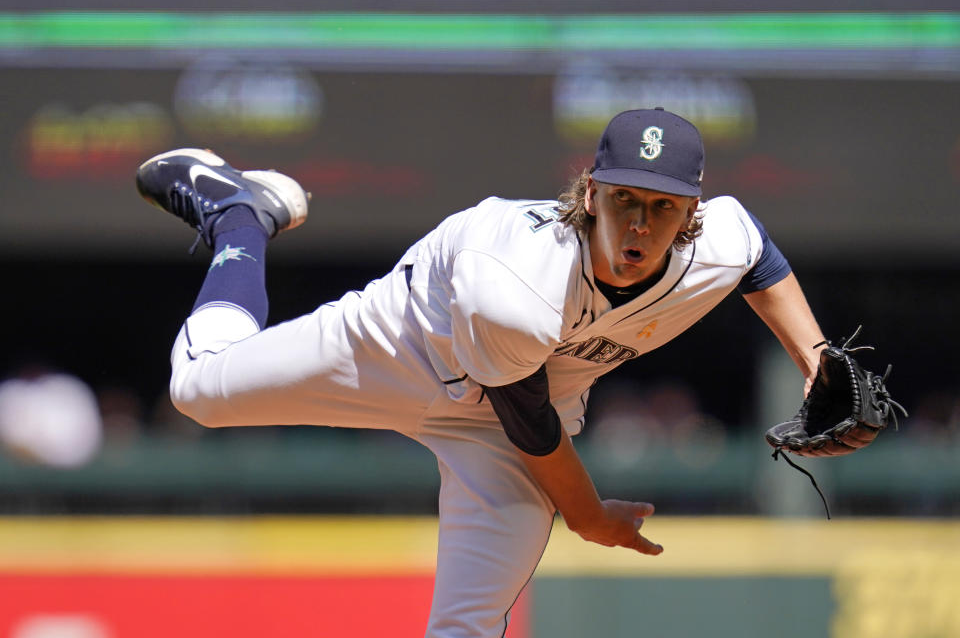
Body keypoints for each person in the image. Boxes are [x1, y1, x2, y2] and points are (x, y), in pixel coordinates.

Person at [136, 108, 826, 637]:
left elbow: (757, 250)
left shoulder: (715, 243)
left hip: (498, 428)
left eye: (663, 207)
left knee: (466, 627)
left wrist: (816, 360)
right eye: (624, 200)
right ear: (590, 195)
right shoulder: (517, 286)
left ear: (690, 217)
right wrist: (585, 516)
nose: (641, 225)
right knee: (196, 389)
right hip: (399, 348)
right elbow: (529, 421)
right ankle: (240, 217)